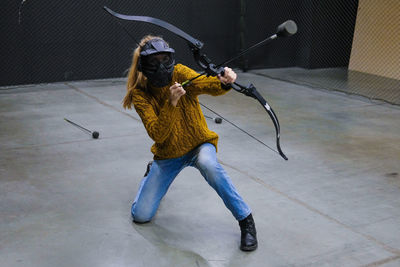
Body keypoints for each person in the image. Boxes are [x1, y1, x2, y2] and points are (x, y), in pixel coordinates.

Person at [123, 35, 257, 251]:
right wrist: (171, 103)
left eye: (165, 59)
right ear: (143, 65)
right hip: (168, 155)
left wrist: (223, 81)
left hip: (198, 144)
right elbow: (158, 134)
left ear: (171, 58)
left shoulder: (180, 73)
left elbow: (205, 84)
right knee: (141, 216)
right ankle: (150, 174)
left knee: (209, 165)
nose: (161, 67)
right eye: (154, 61)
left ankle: (246, 221)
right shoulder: (140, 94)